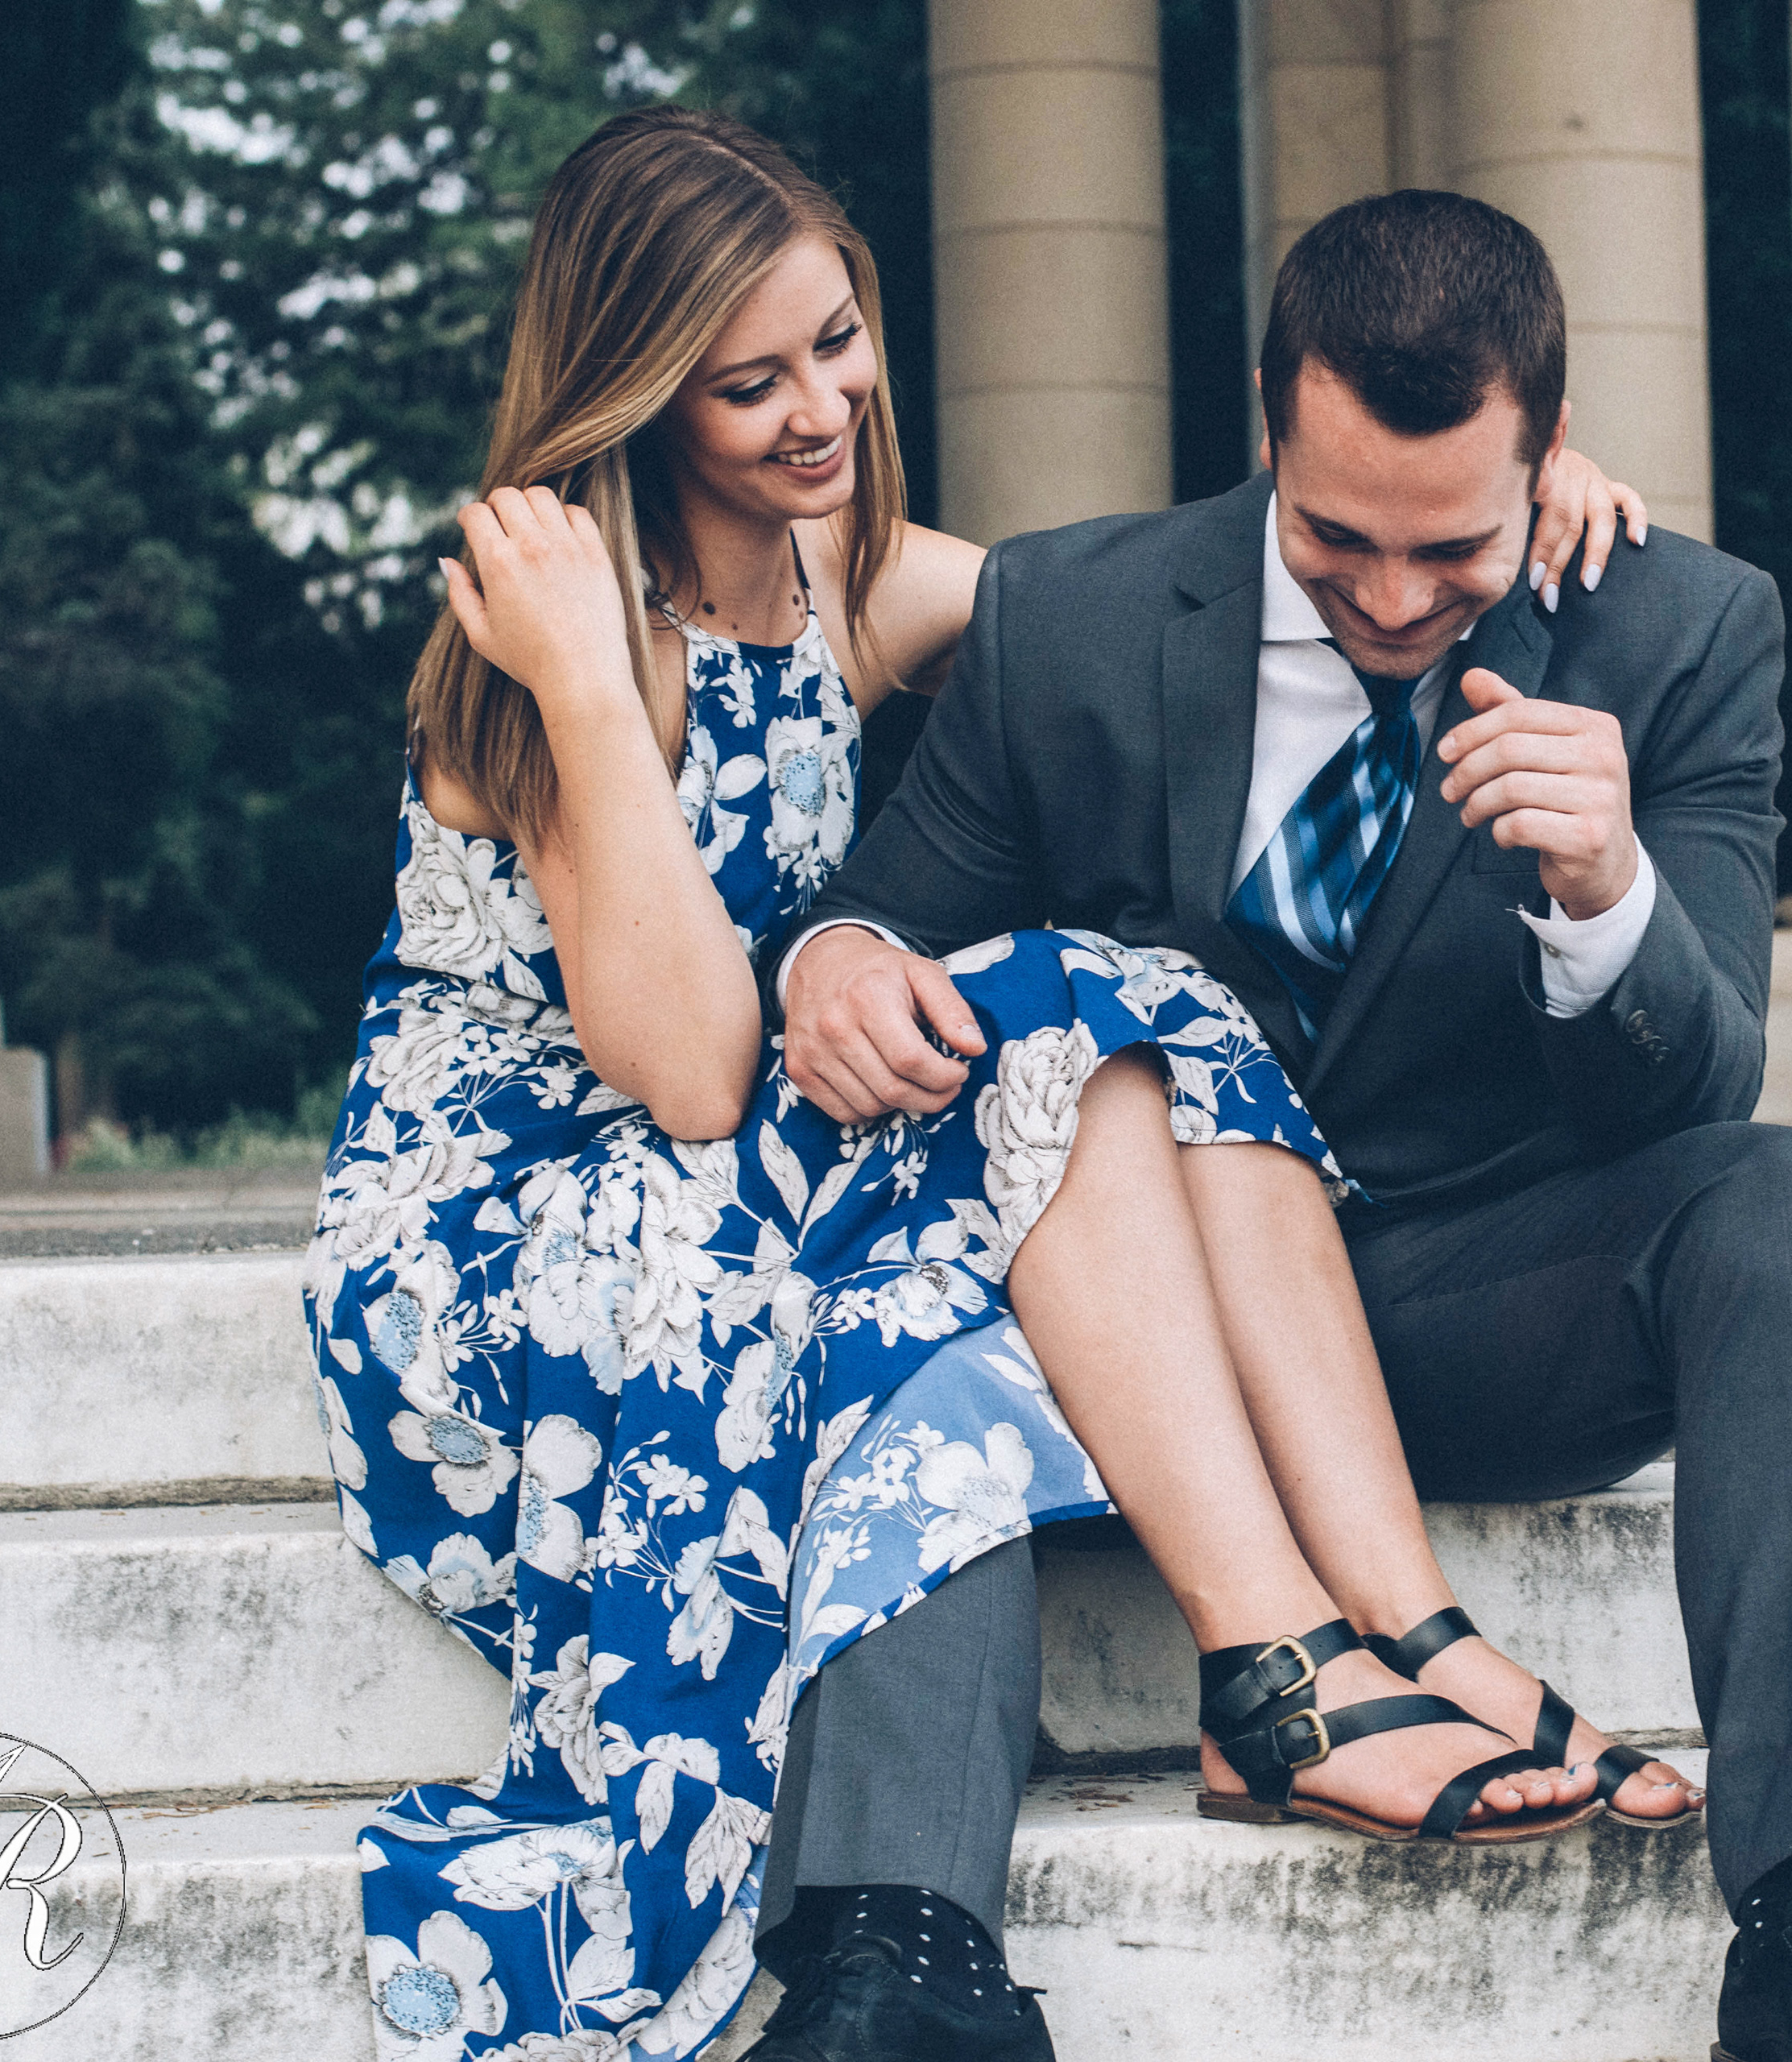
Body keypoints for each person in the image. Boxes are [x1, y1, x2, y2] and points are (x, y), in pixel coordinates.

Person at [301, 108, 1665, 2062]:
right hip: (519, 1224)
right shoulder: (541, 653)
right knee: (1062, 1009)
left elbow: (1159, 598)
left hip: (729, 1162)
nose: (819, 408)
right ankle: (1294, 1655)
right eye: (748, 382)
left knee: (1129, 1006)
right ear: (635, 392)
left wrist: (1504, 501)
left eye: (836, 339)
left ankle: (1387, 1630)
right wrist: (592, 689)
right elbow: (690, 1074)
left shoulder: (841, 578)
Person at [782, 188, 1792, 2062]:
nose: (1401, 600)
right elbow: (877, 908)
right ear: (1270, 425)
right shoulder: (1071, 616)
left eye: (1455, 550)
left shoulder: (1680, 633)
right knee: (913, 1310)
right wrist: (839, 961)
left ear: (1550, 453)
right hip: (1139, 1343)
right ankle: (893, 1957)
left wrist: (1607, 888)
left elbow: (1698, 1090)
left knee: (1779, 1192)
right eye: (1339, 538)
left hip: (1467, 1299)